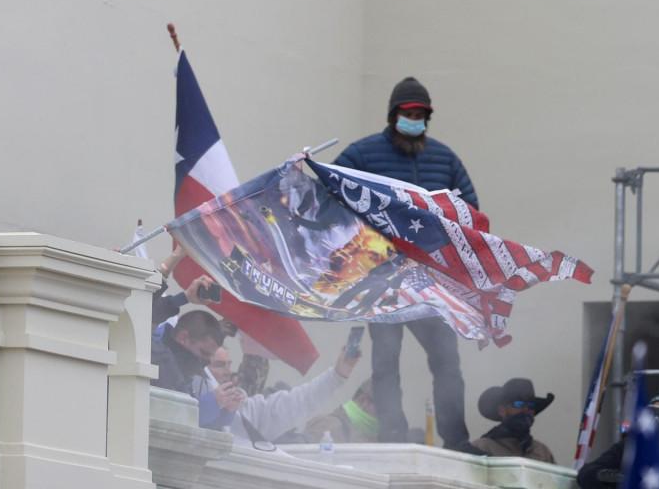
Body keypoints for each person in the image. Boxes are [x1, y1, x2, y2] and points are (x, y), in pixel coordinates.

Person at [332, 76, 477, 448]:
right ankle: (392, 434)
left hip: (430, 281)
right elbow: (329, 188)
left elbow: (470, 210)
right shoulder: (362, 155)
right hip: (380, 278)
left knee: (447, 360)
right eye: (409, 113)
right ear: (394, 115)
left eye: (421, 114)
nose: (415, 119)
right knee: (385, 361)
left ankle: (456, 439)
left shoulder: (445, 159)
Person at [198, 345, 360, 446]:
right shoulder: (192, 407)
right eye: (219, 365)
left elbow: (298, 402)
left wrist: (337, 376)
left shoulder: (249, 411)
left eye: (229, 365)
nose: (227, 372)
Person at [577, 396, 659, 488]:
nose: (656, 420)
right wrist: (620, 478)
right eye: (651, 414)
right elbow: (586, 474)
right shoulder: (630, 446)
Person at [470, 378, 555, 463]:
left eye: (530, 406)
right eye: (518, 404)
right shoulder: (482, 448)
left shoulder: (543, 452)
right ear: (502, 410)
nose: (525, 410)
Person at [150, 310, 225, 396]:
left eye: (210, 357)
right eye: (203, 352)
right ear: (183, 337)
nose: (206, 362)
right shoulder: (154, 357)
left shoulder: (186, 372)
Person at [303, 379, 378, 444]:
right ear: (363, 400)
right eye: (384, 409)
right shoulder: (328, 427)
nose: (387, 417)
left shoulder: (378, 436)